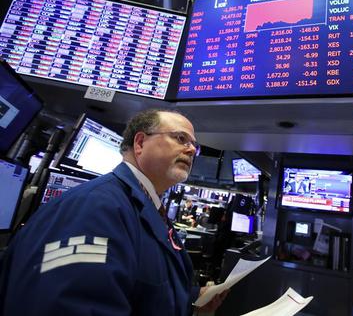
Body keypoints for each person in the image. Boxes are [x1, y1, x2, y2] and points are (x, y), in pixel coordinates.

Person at [0, 109, 228, 315]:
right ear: (140, 143)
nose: (191, 149)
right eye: (180, 138)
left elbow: (144, 287)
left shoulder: (146, 207)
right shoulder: (95, 207)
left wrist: (192, 301)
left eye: (194, 146)